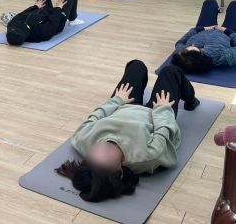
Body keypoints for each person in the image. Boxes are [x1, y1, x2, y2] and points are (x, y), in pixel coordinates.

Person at [56, 59, 200, 202]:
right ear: (119, 170)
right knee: (170, 71)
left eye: (95, 152)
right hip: (154, 113)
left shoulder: (81, 140)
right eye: (108, 154)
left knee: (136, 66)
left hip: (123, 105)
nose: (104, 146)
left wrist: (117, 100)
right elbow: (164, 130)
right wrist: (163, 108)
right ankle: (191, 100)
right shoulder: (147, 155)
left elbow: (95, 116)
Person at [172, 0, 236, 73]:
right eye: (191, 48)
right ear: (199, 54)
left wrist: (203, 28)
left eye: (185, 50)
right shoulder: (222, 58)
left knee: (210, 2)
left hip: (204, 29)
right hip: (228, 33)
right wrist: (227, 31)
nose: (186, 48)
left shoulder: (182, 53)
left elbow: (179, 42)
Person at [3, 0, 81, 46]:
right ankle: (73, 19)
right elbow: (53, 23)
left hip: (42, 10)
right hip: (58, 19)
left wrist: (35, 6)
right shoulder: (41, 34)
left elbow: (22, 14)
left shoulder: (12, 25)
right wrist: (58, 8)